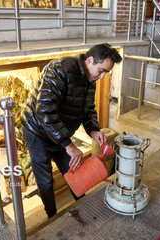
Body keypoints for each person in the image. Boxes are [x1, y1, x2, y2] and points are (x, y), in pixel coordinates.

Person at [20, 43, 122, 218]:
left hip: (60, 133)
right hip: (37, 132)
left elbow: (88, 109)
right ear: (90, 60)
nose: (103, 76)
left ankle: (84, 206)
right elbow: (44, 110)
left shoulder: (91, 79)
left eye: (107, 72)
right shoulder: (60, 69)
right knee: (45, 180)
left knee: (75, 170)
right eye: (102, 70)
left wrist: (93, 130)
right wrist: (68, 144)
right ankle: (52, 216)